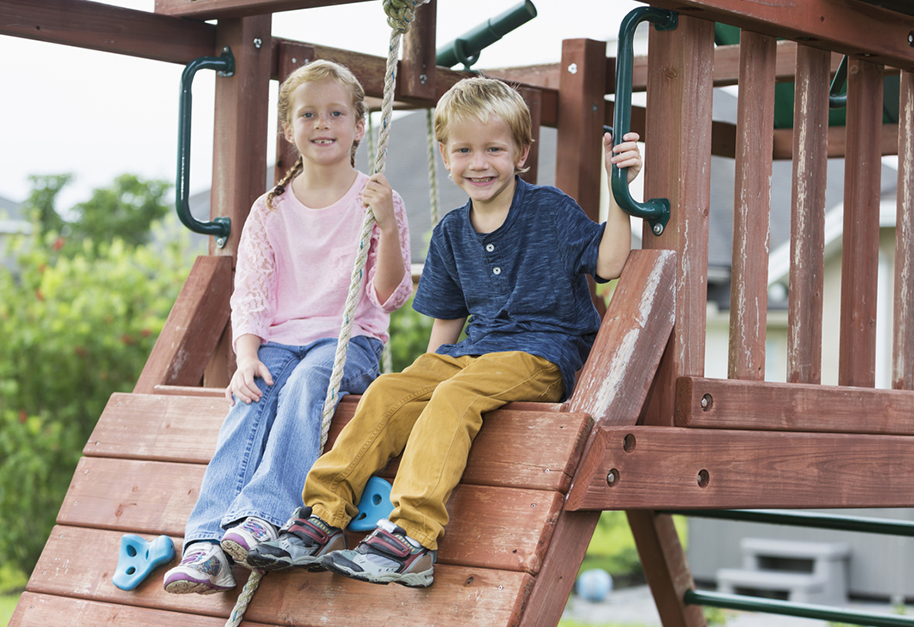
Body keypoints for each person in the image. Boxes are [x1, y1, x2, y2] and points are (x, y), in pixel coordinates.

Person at [247, 76, 640, 589]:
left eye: (494, 149)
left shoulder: (550, 209)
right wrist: (418, 388)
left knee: (455, 395)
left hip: (544, 353)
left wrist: (620, 192)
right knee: (390, 390)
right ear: (444, 155)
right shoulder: (452, 232)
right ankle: (323, 515)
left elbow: (609, 263)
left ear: (521, 153)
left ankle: (413, 536)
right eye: (464, 150)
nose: (479, 163)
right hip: (476, 353)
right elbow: (446, 329)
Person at [162, 59, 412, 594]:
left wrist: (388, 227)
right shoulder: (270, 209)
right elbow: (252, 292)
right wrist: (246, 356)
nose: (322, 124)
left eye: (336, 113)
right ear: (288, 128)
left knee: (303, 387)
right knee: (250, 398)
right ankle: (206, 543)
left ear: (359, 126)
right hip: (279, 341)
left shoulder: (378, 200)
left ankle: (264, 516)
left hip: (348, 342)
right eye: (308, 114)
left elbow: (389, 296)